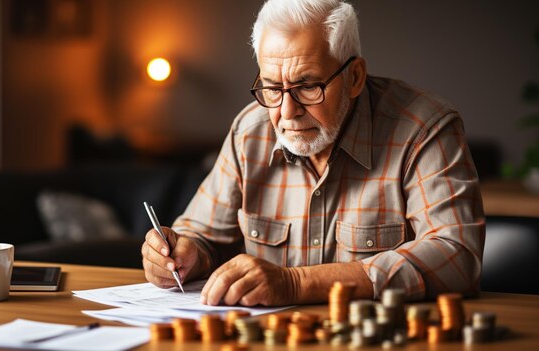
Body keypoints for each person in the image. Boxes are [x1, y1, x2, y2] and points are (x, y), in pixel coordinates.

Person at [141, 0, 485, 306]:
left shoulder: (424, 127)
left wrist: (297, 283)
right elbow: (200, 237)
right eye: (273, 88)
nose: (286, 112)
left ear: (354, 77)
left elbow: (456, 256)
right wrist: (182, 255)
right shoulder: (251, 131)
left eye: (307, 86)